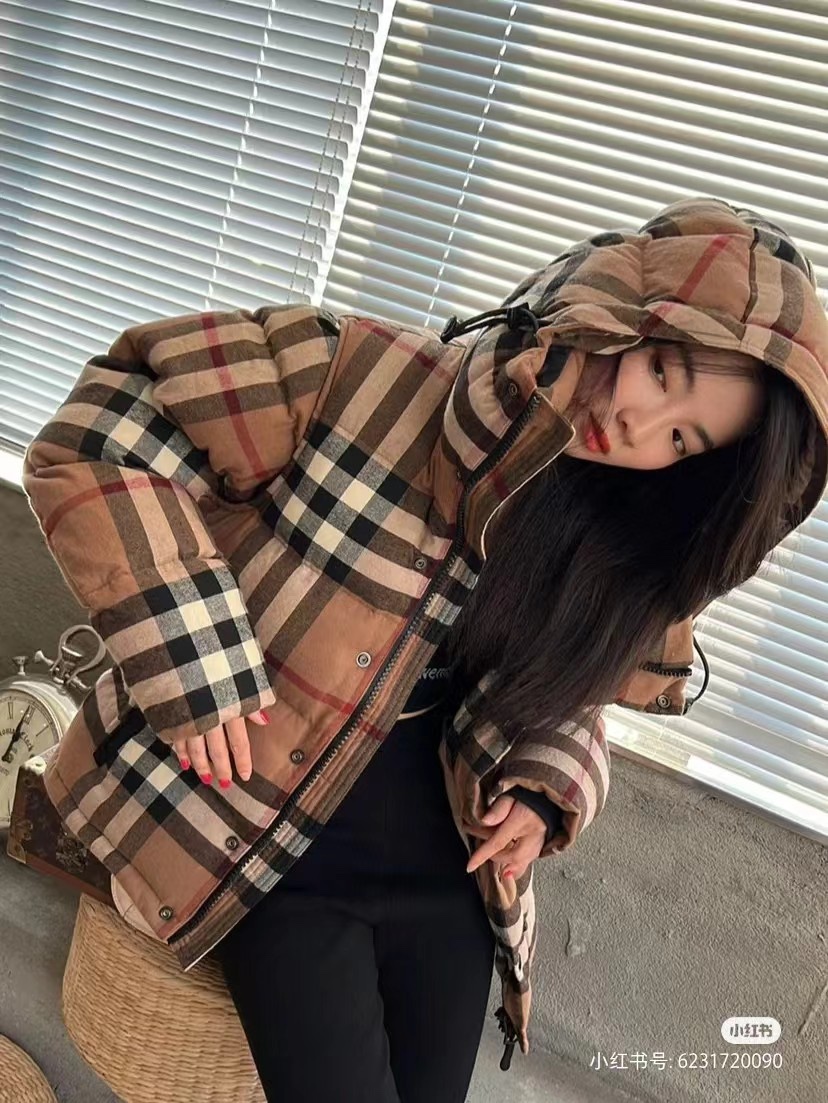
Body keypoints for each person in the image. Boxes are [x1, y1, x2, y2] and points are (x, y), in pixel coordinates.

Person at [22, 196, 828, 1103]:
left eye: (682, 439)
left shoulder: (608, 532)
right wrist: (194, 655)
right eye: (659, 367)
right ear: (607, 305)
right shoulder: (354, 371)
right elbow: (104, 433)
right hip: (266, 828)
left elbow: (572, 691)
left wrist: (542, 790)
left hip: (443, 846)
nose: (638, 422)